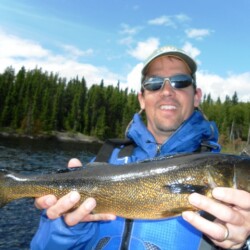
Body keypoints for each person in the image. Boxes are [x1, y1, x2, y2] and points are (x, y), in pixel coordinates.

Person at [31, 46, 250, 250]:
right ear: (141, 98)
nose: (166, 91)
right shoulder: (104, 160)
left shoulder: (227, 174)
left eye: (180, 82)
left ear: (197, 96)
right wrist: (65, 230)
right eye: (154, 83)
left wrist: (244, 242)